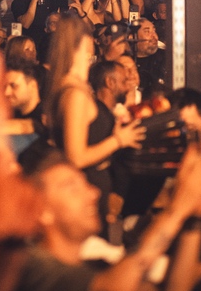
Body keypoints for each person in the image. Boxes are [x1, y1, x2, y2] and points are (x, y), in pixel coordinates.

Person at [3, 147, 201, 291]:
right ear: (41, 210)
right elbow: (117, 289)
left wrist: (194, 219)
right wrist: (176, 209)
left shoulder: (94, 270)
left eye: (85, 183)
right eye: (72, 187)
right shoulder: (22, 269)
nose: (93, 193)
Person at [45, 13, 145, 233]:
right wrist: (118, 140)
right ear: (80, 45)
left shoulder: (73, 87)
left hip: (94, 184)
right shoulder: (74, 94)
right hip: (87, 185)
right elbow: (76, 156)